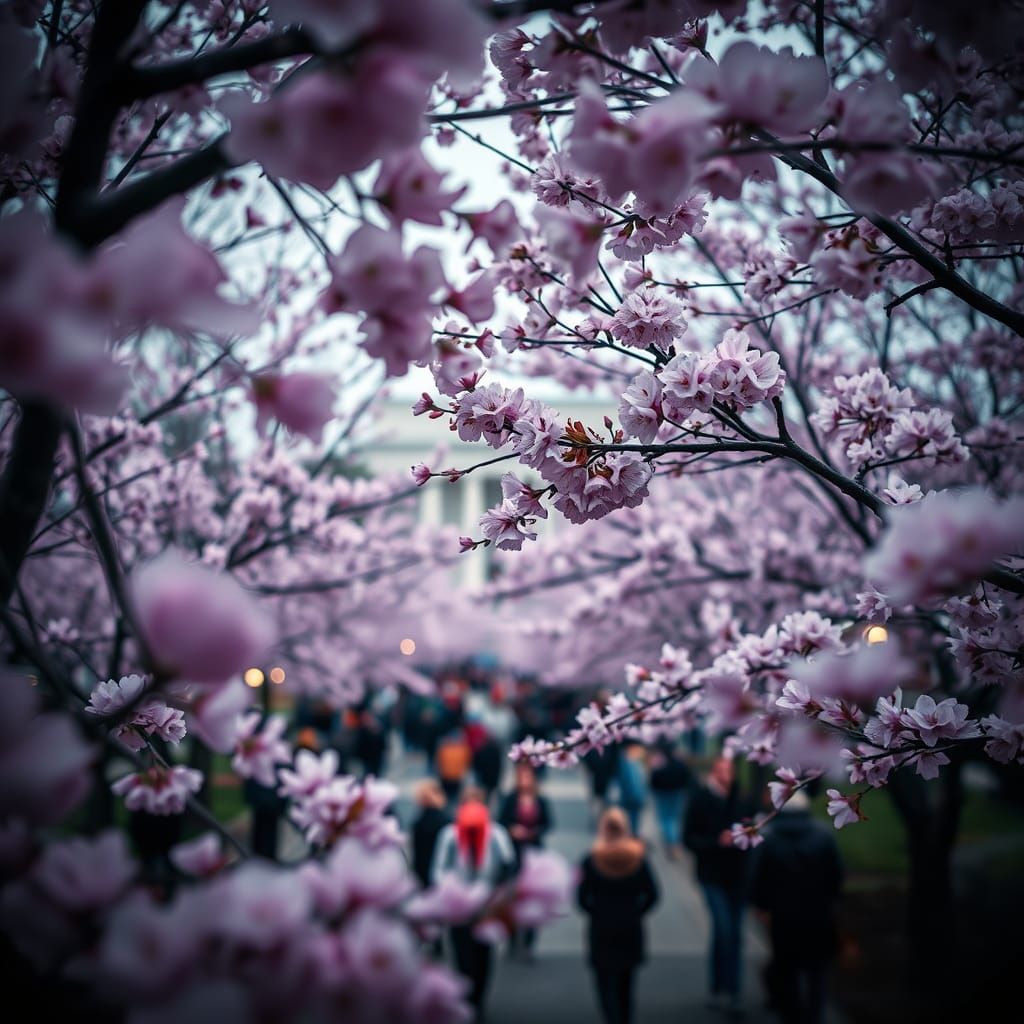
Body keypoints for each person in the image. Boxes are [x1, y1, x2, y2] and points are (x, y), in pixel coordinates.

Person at [750, 791, 844, 1024]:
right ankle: (815, 1015)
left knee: (786, 968)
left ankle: (792, 1014)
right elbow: (836, 875)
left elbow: (758, 877)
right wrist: (832, 900)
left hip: (783, 916)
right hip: (818, 914)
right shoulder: (823, 835)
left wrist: (761, 906)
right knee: (817, 970)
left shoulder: (769, 837)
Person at [431, 788, 517, 1021]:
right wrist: (452, 894)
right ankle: (467, 999)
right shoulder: (449, 835)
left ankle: (478, 999)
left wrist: (498, 894)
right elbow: (438, 870)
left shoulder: (496, 834)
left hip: (487, 906)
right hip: (459, 909)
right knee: (462, 955)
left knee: (483, 956)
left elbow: (508, 865)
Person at [684, 754, 754, 1013]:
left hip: (738, 877)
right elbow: (688, 838)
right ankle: (717, 988)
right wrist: (716, 842)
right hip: (711, 876)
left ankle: (733, 990)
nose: (725, 775)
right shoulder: (701, 799)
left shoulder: (742, 799)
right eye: (720, 770)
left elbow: (754, 831)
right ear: (713, 772)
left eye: (729, 770)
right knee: (723, 931)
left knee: (734, 935)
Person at [577, 807, 660, 1024]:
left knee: (604, 982)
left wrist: (595, 912)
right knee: (626, 985)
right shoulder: (638, 859)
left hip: (601, 927)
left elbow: (581, 897)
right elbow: (653, 894)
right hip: (630, 926)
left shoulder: (592, 859)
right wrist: (636, 912)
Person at [497, 762, 553, 961]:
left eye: (528, 777)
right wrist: (512, 830)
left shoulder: (540, 800)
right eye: (521, 777)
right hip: (514, 853)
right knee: (512, 898)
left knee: (533, 899)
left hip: (534, 853)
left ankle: (529, 943)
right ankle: (512, 940)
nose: (524, 781)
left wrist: (534, 831)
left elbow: (548, 822)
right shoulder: (510, 799)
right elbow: (501, 821)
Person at [648, 741, 694, 860]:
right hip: (677, 793)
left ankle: (672, 843)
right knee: (674, 819)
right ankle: (675, 843)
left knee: (666, 820)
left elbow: (653, 779)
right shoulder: (679, 762)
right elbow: (687, 776)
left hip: (662, 794)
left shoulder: (659, 763)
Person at [616, 743, 649, 837]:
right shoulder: (629, 762)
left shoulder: (629, 761)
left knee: (632, 820)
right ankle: (631, 836)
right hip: (632, 797)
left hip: (632, 797)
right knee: (631, 820)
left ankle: (631, 835)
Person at [435, 728, 473, 804]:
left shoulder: (444, 749)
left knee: (446, 795)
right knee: (453, 796)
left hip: (447, 776)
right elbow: (468, 763)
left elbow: (438, 762)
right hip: (455, 777)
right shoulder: (464, 750)